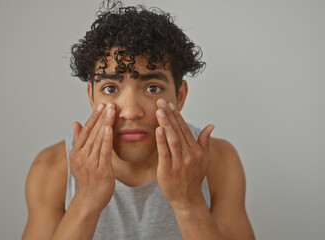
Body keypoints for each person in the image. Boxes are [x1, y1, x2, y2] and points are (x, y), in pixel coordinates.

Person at [22, 1, 255, 239]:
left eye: (153, 88)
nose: (131, 111)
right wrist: (86, 200)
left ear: (180, 96)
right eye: (111, 88)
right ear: (92, 98)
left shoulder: (218, 161)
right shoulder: (52, 168)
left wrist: (189, 202)